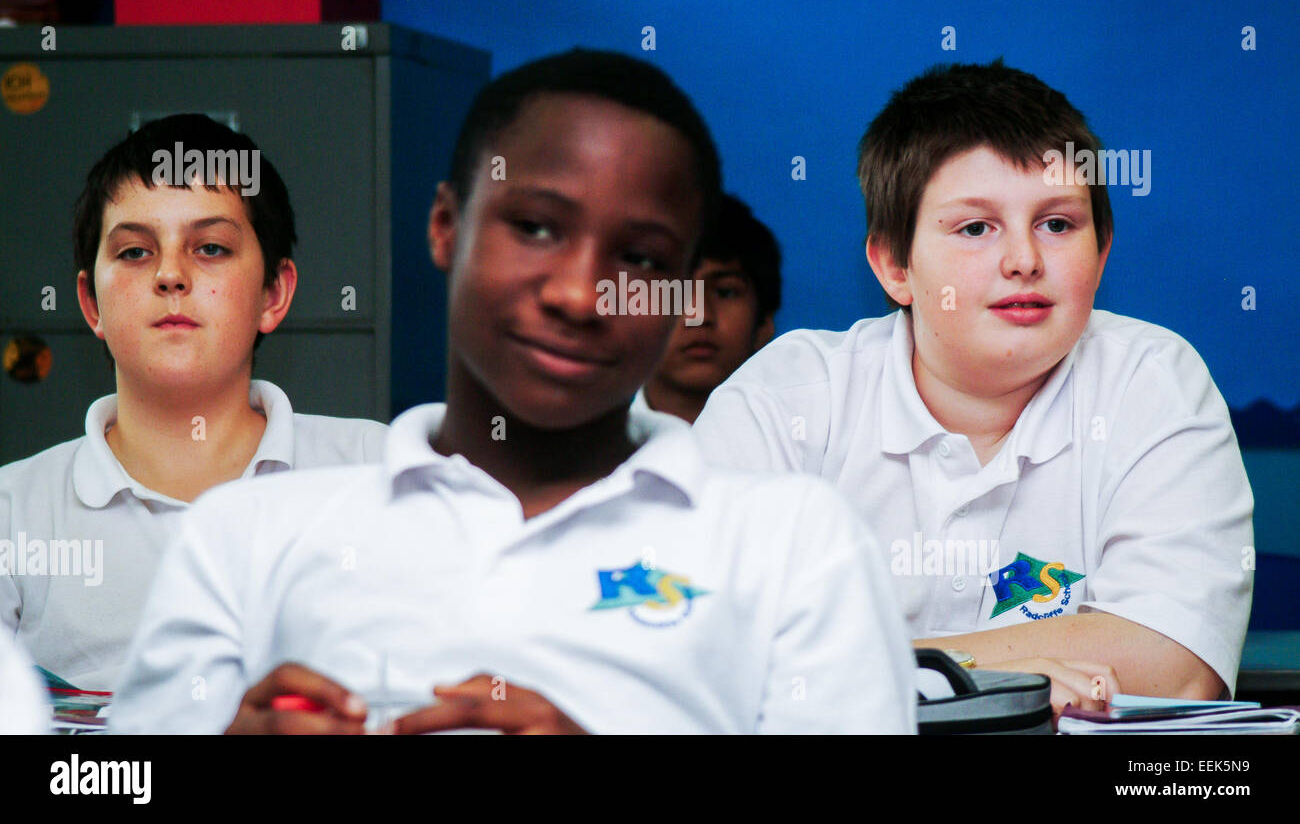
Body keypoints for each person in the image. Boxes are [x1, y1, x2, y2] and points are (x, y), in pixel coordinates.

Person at [109, 51, 915, 735]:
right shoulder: (245, 538)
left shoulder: (795, 547)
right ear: (445, 227)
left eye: (640, 257)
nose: (578, 292)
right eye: (534, 227)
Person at [693, 60, 1253, 716]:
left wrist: (875, 663)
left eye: (1057, 224)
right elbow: (701, 650)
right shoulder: (781, 400)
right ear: (894, 266)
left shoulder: (1154, 382)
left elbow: (1175, 664)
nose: (1024, 260)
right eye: (975, 228)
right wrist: (979, 672)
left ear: (1101, 255)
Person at [0, 114, 386, 693]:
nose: (171, 275)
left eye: (210, 247)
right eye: (134, 252)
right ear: (90, 303)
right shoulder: (15, 512)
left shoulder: (379, 473)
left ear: (274, 294)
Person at [638, 194, 780, 423]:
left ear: (764, 322)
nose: (699, 314)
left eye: (725, 292)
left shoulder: (807, 440)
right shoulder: (580, 442)